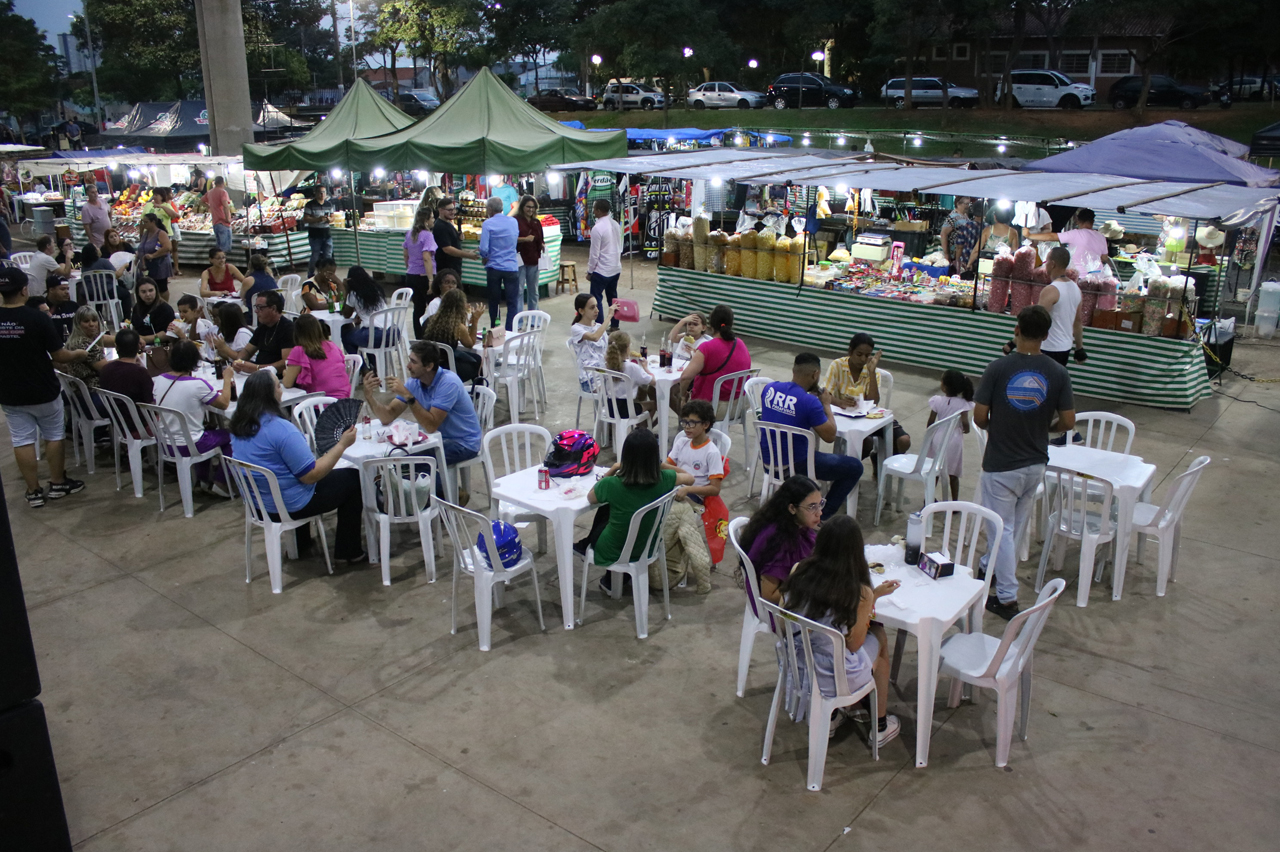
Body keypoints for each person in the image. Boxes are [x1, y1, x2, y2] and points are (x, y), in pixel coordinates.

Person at [974, 305, 1075, 620]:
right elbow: (1069, 421)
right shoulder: (1058, 372)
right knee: (1013, 528)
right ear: (1046, 336)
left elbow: (979, 416)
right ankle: (988, 568)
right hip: (1035, 463)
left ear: (1016, 329)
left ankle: (1006, 597)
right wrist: (1045, 428)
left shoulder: (997, 368)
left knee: (999, 529)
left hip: (1001, 462)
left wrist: (1000, 426)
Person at [782, 514, 901, 747]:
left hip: (797, 664)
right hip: (833, 676)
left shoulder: (799, 570)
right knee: (879, 636)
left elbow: (784, 619)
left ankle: (834, 716)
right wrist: (870, 601)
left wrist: (872, 596)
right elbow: (854, 644)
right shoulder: (857, 590)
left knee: (828, 641)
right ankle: (880, 725)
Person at [229, 370, 365, 562]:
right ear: (270, 394)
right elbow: (311, 475)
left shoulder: (238, 426)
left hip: (258, 504)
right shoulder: (281, 429)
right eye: (278, 385)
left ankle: (301, 544)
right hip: (289, 505)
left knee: (290, 476)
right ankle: (348, 551)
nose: (281, 389)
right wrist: (342, 445)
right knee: (353, 480)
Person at [0, 266, 88, 507]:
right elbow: (59, 355)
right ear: (24, 290)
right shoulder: (37, 318)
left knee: (21, 440)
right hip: (42, 388)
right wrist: (78, 354)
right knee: (53, 435)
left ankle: (33, 491)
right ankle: (58, 483)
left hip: (9, 391)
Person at [361, 341, 482, 502]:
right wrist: (370, 397)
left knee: (412, 461)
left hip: (463, 442)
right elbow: (387, 416)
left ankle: (451, 495)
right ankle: (430, 497)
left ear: (429, 366)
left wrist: (408, 396)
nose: (408, 366)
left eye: (413, 362)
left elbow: (431, 426)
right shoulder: (415, 382)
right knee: (398, 458)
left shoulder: (448, 383)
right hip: (438, 439)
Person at [578, 428, 693, 594]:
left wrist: (613, 469)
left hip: (614, 548)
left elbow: (590, 497)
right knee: (618, 512)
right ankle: (616, 578)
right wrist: (661, 465)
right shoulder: (665, 478)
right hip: (648, 545)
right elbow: (690, 478)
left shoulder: (611, 484)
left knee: (607, 509)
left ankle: (586, 546)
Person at [758, 353, 863, 521]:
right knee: (854, 467)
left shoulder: (770, 388)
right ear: (815, 374)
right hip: (796, 466)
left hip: (769, 463)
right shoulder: (809, 402)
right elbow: (830, 436)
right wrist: (826, 405)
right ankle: (821, 516)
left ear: (793, 370)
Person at [659, 399, 724, 594]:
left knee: (668, 517)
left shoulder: (711, 452)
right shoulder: (681, 442)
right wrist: (682, 474)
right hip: (676, 487)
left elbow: (714, 489)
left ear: (705, 425)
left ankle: (670, 558)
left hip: (694, 496)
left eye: (692, 423)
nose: (686, 427)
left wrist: (688, 487)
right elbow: (665, 464)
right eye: (684, 422)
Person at [151, 340, 233, 492]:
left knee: (208, 428)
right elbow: (224, 404)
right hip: (189, 445)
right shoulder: (197, 385)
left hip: (164, 443)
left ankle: (202, 478)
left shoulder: (159, 380)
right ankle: (220, 482)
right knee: (235, 436)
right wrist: (227, 378)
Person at [823, 333, 910, 455]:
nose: (863, 359)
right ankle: (852, 467)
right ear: (850, 351)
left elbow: (874, 402)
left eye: (867, 355)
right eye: (859, 354)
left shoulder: (871, 369)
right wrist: (840, 402)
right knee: (866, 442)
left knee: (904, 440)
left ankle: (880, 462)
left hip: (870, 418)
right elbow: (824, 394)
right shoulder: (837, 365)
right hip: (845, 418)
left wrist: (872, 372)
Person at [741, 475, 822, 606]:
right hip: (780, 611)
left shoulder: (798, 526)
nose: (819, 513)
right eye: (812, 507)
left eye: (820, 504)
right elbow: (769, 596)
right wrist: (811, 586)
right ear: (792, 508)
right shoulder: (777, 541)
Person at [678, 304, 751, 417]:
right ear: (731, 324)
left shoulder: (707, 348)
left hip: (714, 408)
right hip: (740, 405)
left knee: (686, 408)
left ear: (711, 325)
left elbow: (685, 377)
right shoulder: (740, 343)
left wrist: (682, 396)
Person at [215, 290, 295, 375]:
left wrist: (257, 368)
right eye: (256, 307)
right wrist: (239, 361)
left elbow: (287, 363)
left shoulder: (288, 328)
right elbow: (247, 351)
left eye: (260, 307)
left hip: (277, 378)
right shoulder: (263, 327)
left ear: (273, 309)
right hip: (260, 374)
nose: (256, 311)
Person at [926, 369, 974, 501]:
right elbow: (965, 422)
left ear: (944, 386)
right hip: (954, 440)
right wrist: (966, 429)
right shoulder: (963, 404)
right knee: (953, 473)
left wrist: (929, 434)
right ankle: (954, 502)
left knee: (934, 470)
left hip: (937, 437)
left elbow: (930, 422)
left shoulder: (937, 401)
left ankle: (928, 498)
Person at [1036, 245, 1086, 369]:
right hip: (1065, 348)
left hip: (1048, 348)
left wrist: (1014, 343)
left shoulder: (1051, 290)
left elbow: (1036, 321)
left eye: (1046, 261)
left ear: (1052, 264)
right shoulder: (1076, 288)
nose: (1045, 265)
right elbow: (1078, 322)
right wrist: (1079, 348)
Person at [283, 313, 351, 399]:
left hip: (320, 403)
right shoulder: (332, 345)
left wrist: (286, 373)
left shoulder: (299, 350)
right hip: (345, 399)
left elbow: (287, 383)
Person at [1027, 207, 1111, 276]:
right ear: (1092, 222)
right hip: (1097, 276)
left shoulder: (1076, 234)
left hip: (1078, 276)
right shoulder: (1101, 237)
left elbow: (1051, 236)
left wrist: (1030, 235)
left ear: (1077, 221)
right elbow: (1104, 258)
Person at [479, 195, 520, 330]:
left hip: (494, 267)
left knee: (494, 302)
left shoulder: (488, 224)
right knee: (512, 302)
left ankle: (495, 328)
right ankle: (510, 330)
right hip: (511, 267)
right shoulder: (513, 221)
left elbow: (484, 248)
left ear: (490, 209)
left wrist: (484, 256)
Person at [423, 289, 483, 382]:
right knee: (478, 361)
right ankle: (477, 393)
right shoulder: (457, 326)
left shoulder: (430, 321)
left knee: (474, 358)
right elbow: (470, 344)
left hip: (429, 364)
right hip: (448, 367)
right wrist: (475, 320)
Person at [603, 330, 656, 422]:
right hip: (625, 410)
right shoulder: (632, 367)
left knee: (640, 395)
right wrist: (646, 368)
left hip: (608, 407)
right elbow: (652, 381)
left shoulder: (606, 365)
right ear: (627, 348)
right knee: (654, 404)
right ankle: (642, 430)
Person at [587, 199, 623, 331]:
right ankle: (615, 325)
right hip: (615, 267)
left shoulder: (597, 229)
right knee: (613, 298)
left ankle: (600, 327)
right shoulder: (615, 224)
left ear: (598, 210)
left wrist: (590, 271)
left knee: (596, 300)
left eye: (594, 208)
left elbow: (594, 254)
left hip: (602, 270)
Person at [61, 306, 114, 392]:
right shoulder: (84, 343)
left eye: (94, 320)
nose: (91, 324)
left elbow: (114, 340)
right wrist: (126, 358)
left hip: (77, 390)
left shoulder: (74, 339)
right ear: (78, 323)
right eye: (86, 321)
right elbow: (105, 368)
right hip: (92, 391)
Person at [403, 206, 437, 336]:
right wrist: (430, 279)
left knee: (418, 307)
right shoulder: (427, 235)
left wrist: (409, 268)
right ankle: (432, 334)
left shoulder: (410, 233)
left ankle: (419, 336)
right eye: (432, 217)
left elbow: (405, 254)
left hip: (411, 275)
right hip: (424, 275)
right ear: (426, 220)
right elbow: (426, 257)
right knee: (434, 305)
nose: (434, 220)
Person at [98, 327, 154, 405]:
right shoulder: (141, 373)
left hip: (114, 415)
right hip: (138, 416)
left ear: (116, 347)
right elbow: (149, 402)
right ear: (138, 347)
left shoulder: (105, 369)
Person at [569, 293, 613, 392]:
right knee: (619, 391)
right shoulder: (576, 328)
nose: (597, 310)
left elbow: (607, 348)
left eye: (597, 306)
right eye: (592, 308)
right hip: (589, 377)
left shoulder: (598, 327)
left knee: (633, 384)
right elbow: (595, 337)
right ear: (581, 311)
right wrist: (609, 317)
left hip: (604, 371)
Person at [340, 265, 387, 354]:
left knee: (346, 335)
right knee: (365, 334)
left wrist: (346, 290)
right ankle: (374, 364)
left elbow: (346, 314)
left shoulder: (354, 294)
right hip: (393, 333)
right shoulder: (377, 289)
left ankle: (361, 366)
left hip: (376, 336)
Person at [432, 196, 480, 280]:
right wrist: (468, 255)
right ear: (440, 210)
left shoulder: (447, 223)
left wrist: (458, 238)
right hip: (446, 270)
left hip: (453, 268)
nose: (453, 212)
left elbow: (451, 243)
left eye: (453, 209)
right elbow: (447, 249)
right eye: (449, 210)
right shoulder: (440, 226)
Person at [514, 194, 544, 312]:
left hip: (534, 260)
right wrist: (524, 239)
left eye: (533, 207)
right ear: (522, 207)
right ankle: (518, 320)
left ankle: (533, 319)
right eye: (528, 207)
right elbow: (511, 239)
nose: (530, 209)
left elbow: (540, 239)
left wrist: (542, 245)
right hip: (520, 260)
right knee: (519, 291)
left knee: (534, 291)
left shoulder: (536, 222)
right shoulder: (515, 221)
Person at [143, 187, 181, 274]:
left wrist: (161, 207)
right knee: (151, 252)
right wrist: (141, 234)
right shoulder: (148, 205)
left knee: (163, 254)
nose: (155, 197)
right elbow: (143, 220)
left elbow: (175, 216)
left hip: (164, 234)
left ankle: (165, 273)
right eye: (154, 195)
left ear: (162, 196)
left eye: (157, 195)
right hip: (150, 234)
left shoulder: (167, 205)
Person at [167, 294, 219, 358]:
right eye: (180, 311)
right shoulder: (181, 324)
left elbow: (198, 349)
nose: (181, 315)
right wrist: (171, 334)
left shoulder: (199, 325)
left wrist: (182, 336)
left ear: (194, 311)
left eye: (185, 312)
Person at [137, 213, 173, 301]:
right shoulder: (146, 233)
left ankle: (164, 304)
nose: (144, 224)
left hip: (159, 265)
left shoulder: (161, 233)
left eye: (146, 222)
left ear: (153, 222)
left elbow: (168, 247)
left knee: (161, 287)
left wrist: (153, 255)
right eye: (143, 222)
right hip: (148, 266)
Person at [939, 196, 980, 276]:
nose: (968, 206)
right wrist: (946, 254)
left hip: (963, 253)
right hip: (955, 254)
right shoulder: (953, 217)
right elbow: (943, 234)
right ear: (958, 204)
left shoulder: (965, 216)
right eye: (966, 204)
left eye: (969, 204)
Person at [131, 278, 177, 344]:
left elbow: (168, 334)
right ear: (138, 293)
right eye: (143, 292)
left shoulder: (165, 309)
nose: (148, 294)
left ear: (156, 290)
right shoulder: (137, 307)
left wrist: (144, 339)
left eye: (151, 290)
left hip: (159, 345)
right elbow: (134, 327)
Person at [302, 186, 335, 277]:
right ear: (315, 193)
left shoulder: (328, 204)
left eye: (324, 192)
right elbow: (306, 219)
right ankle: (311, 274)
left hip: (327, 233)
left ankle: (327, 273)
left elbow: (333, 217)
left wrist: (329, 219)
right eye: (320, 192)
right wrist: (317, 219)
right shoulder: (310, 204)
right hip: (315, 234)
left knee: (328, 255)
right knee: (315, 255)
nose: (322, 194)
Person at [204, 175, 234, 253]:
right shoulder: (223, 192)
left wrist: (209, 207)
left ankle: (218, 264)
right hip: (223, 222)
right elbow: (225, 206)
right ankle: (223, 264)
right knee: (224, 248)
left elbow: (201, 201)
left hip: (215, 222)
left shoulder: (210, 192)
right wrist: (228, 219)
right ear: (223, 183)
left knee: (219, 246)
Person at [79, 182, 113, 250]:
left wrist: (110, 221)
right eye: (92, 192)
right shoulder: (86, 208)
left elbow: (110, 210)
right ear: (87, 194)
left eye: (96, 192)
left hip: (108, 236)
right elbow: (86, 226)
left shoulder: (103, 201)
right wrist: (91, 240)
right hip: (97, 239)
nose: (95, 194)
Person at [46, 276, 79, 340]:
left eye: (67, 289)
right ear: (51, 290)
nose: (67, 292)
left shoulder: (73, 306)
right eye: (62, 289)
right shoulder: (43, 308)